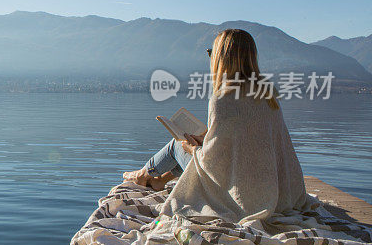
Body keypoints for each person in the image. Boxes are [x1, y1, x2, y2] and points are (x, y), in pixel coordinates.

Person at [122, 28, 308, 223]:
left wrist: (193, 148)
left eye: (212, 53)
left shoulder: (223, 98)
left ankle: (143, 175)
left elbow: (213, 161)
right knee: (194, 145)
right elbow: (244, 144)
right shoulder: (269, 95)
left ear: (222, 58)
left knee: (178, 145)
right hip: (275, 190)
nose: (210, 58)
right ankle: (159, 180)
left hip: (241, 195)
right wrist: (207, 140)